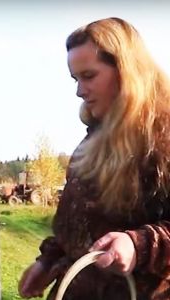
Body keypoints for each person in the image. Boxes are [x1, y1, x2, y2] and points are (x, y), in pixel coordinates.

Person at [18, 17, 170, 300]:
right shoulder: (90, 143)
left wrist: (139, 245)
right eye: (76, 79)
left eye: (89, 76)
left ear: (127, 71)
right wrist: (49, 261)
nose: (79, 91)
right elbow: (79, 226)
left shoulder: (164, 139)